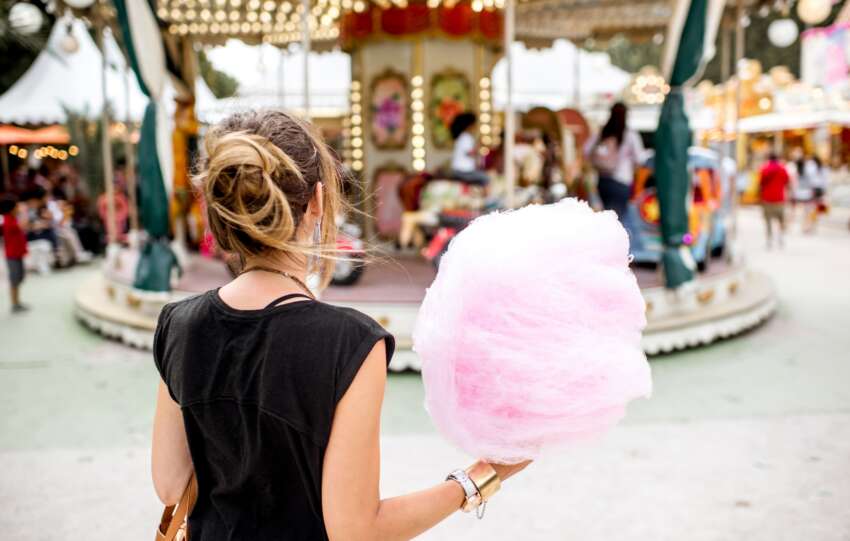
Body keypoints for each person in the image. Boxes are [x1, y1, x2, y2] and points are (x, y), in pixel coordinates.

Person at [151, 111, 528, 540]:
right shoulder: (349, 343)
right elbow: (355, 530)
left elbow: (169, 483)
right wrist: (482, 476)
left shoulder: (177, 323)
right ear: (316, 201)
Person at [585, 102, 645, 221]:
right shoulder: (630, 134)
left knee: (607, 216)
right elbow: (640, 158)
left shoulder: (602, 133)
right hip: (621, 182)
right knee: (616, 220)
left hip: (603, 181)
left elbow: (586, 150)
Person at [1, 195, 29, 313]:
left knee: (19, 277)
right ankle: (15, 304)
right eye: (17, 206)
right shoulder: (7, 221)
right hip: (12, 255)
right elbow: (23, 226)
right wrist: (24, 213)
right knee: (14, 279)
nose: (19, 208)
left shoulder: (12, 219)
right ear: (12, 209)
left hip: (17, 253)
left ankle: (17, 302)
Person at [758, 153, 790, 248]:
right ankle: (780, 237)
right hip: (779, 198)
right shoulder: (782, 169)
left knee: (768, 220)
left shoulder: (764, 169)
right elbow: (786, 181)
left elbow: (761, 183)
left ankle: (769, 239)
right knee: (780, 219)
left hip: (767, 198)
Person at [449, 112, 489, 186]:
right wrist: (479, 147)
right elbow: (470, 153)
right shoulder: (466, 137)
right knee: (485, 178)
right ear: (470, 125)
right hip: (463, 171)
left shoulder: (463, 136)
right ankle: (488, 197)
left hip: (461, 170)